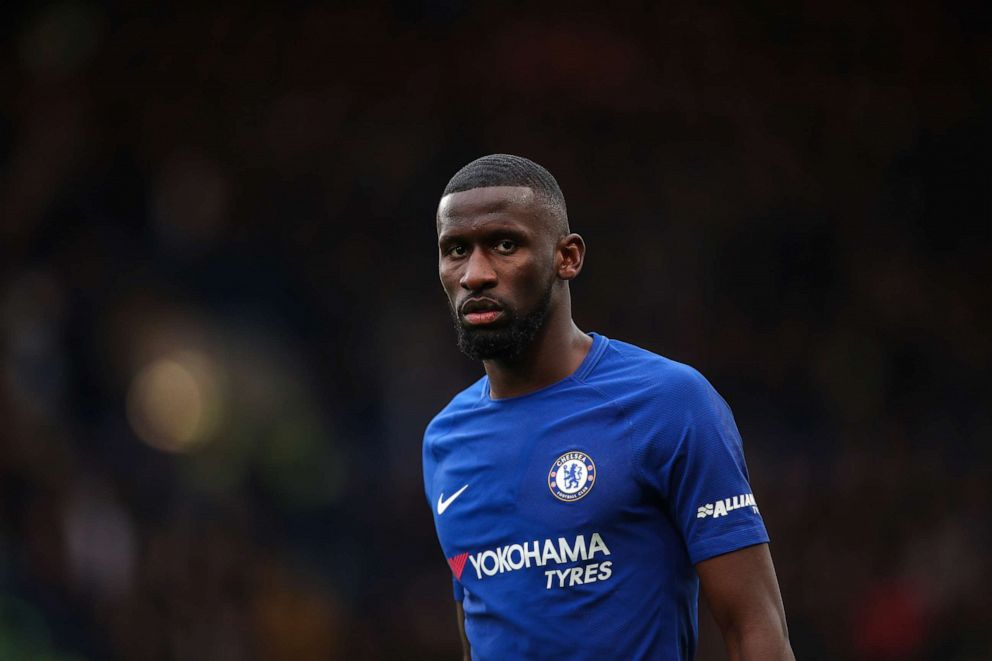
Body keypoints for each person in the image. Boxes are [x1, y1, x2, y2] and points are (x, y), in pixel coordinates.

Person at [422, 154, 794, 660]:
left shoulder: (669, 403)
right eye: (456, 250)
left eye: (505, 244)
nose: (476, 274)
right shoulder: (444, 440)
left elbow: (756, 628)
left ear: (567, 257)